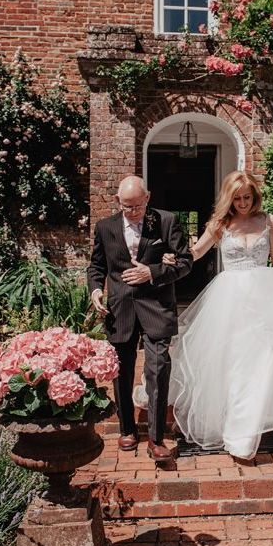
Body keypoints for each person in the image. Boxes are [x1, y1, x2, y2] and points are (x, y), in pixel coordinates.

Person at [162, 170, 273, 460]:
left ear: (255, 196)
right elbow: (197, 251)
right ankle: (234, 428)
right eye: (237, 198)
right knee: (235, 365)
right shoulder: (221, 224)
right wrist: (173, 257)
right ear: (229, 198)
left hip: (266, 298)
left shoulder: (268, 221)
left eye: (247, 198)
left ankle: (247, 431)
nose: (242, 203)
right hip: (230, 301)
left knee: (261, 365)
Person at [87, 176, 193, 462]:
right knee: (122, 371)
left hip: (157, 306)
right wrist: (96, 289)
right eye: (126, 207)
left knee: (158, 371)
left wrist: (153, 272)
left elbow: (185, 262)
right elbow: (96, 265)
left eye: (136, 205)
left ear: (147, 197)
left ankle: (156, 439)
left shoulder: (166, 222)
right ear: (118, 202)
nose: (132, 211)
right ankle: (127, 430)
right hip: (119, 308)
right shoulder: (105, 227)